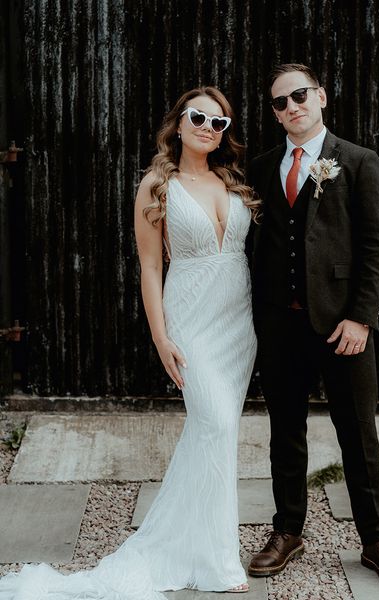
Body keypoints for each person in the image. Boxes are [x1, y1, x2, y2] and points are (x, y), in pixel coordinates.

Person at [0, 87, 258, 598]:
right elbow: (148, 266)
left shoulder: (232, 182)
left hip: (238, 321)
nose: (208, 127)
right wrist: (161, 336)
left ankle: (208, 547)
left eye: (219, 123)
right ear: (179, 123)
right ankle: (211, 557)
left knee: (216, 434)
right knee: (216, 421)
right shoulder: (156, 186)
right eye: (199, 117)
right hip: (191, 317)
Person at [246, 63, 379, 589]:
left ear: (320, 96)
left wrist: (361, 317)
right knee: (285, 432)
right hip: (281, 324)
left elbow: (375, 245)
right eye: (280, 102)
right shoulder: (262, 166)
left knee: (358, 434)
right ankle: (287, 531)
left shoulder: (359, 161)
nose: (291, 106)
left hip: (343, 326)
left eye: (299, 95)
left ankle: (376, 540)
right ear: (274, 113)